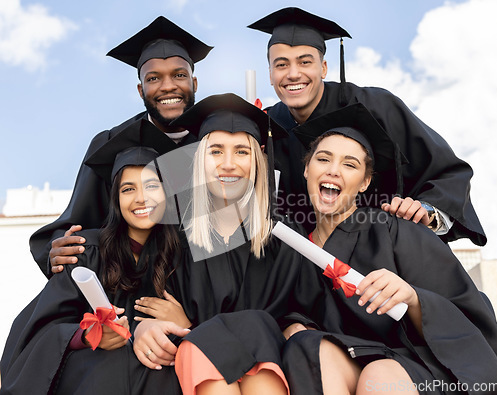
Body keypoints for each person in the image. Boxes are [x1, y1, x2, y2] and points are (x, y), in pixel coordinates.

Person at [280, 103, 497, 394]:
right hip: (349, 359)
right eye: (323, 159)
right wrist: (293, 326)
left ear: (365, 182)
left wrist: (414, 299)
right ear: (307, 169)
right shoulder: (294, 247)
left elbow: (468, 315)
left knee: (379, 373)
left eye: (350, 164)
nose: (334, 170)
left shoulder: (397, 230)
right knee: (309, 348)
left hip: (420, 368)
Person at [132, 93, 340, 395]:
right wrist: (144, 328)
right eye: (216, 152)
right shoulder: (171, 235)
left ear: (257, 159)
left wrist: (193, 324)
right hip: (194, 365)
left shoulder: (284, 236)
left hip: (270, 363)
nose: (228, 165)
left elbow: (304, 312)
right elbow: (145, 306)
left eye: (242, 152)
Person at [248, 7, 486, 246]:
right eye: (281, 65)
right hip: (300, 267)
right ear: (270, 74)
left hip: (383, 258)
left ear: (323, 68)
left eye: (305, 62)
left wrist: (426, 211)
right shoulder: (265, 126)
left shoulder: (376, 107)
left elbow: (446, 171)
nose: (293, 74)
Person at [1, 119, 191, 394]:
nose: (141, 198)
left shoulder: (182, 255)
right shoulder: (87, 250)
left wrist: (184, 321)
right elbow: (42, 331)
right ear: (115, 198)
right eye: (128, 189)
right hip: (94, 377)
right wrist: (88, 335)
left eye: (152, 186)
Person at [29, 16, 213, 276]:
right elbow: (78, 220)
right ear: (140, 90)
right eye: (153, 79)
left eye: (179, 75)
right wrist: (56, 249)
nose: (168, 86)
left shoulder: (216, 144)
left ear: (194, 83)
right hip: (129, 283)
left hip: (203, 285)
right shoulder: (111, 143)